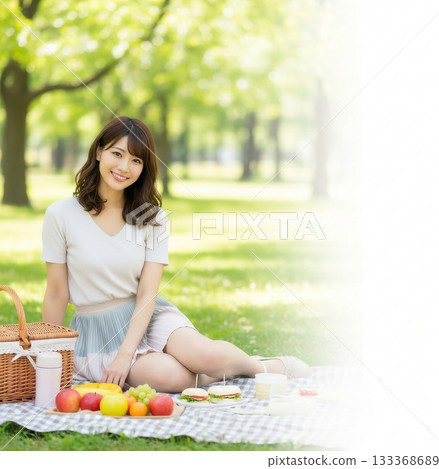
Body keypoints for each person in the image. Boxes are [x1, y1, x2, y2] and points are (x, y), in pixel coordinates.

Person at [41, 116, 310, 393]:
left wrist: (126, 356)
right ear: (98, 152)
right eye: (117, 154)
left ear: (144, 167)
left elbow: (148, 293)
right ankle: (212, 374)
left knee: (208, 356)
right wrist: (48, 356)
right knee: (172, 378)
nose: (124, 167)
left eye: (136, 160)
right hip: (97, 332)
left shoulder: (151, 217)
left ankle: (257, 367)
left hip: (147, 314)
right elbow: (57, 293)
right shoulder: (61, 215)